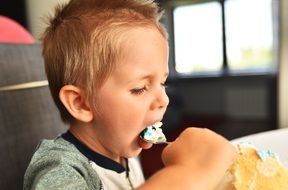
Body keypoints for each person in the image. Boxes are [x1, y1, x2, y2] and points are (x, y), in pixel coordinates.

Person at [23, 0, 236, 189]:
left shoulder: (123, 149)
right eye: (140, 88)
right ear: (81, 103)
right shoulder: (60, 167)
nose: (164, 100)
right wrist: (188, 173)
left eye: (163, 83)